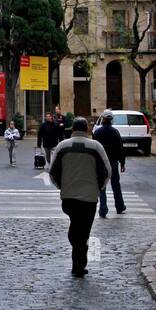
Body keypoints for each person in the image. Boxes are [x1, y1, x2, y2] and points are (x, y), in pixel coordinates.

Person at [49, 116, 111, 277]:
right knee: (83, 232)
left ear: (72, 129)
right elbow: (106, 171)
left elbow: (53, 171)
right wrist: (99, 188)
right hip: (89, 198)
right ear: (86, 129)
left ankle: (77, 264)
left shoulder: (63, 146)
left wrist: (61, 186)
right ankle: (78, 266)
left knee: (76, 228)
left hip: (68, 197)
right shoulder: (95, 147)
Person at [93, 109, 127, 217]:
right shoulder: (115, 132)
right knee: (116, 184)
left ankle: (103, 209)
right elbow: (120, 148)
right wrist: (122, 162)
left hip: (101, 162)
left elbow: (94, 149)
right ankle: (119, 206)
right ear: (111, 120)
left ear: (102, 119)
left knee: (102, 186)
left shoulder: (97, 132)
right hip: (113, 162)